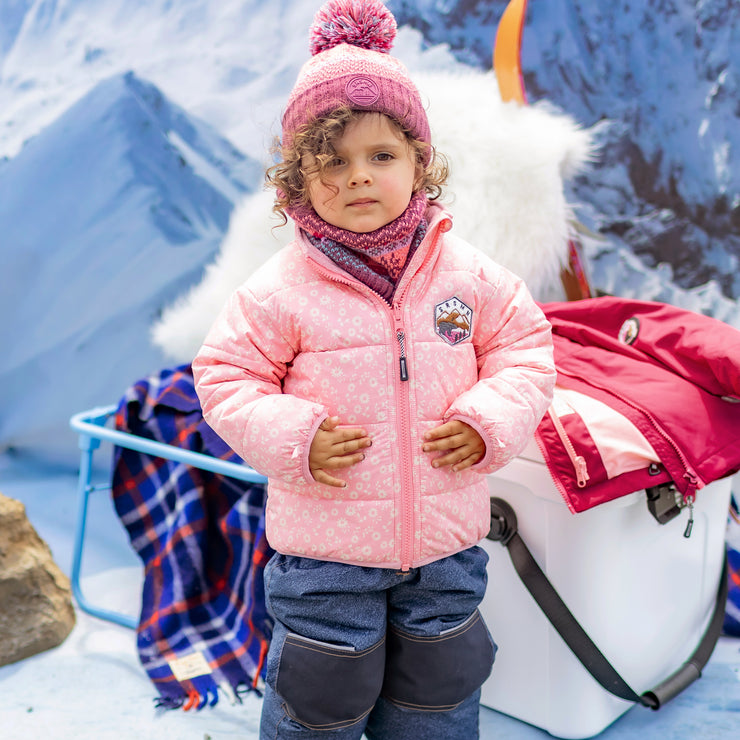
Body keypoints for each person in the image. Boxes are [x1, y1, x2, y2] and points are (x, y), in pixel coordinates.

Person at [192, 1, 556, 737]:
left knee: (440, 694)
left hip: (447, 545)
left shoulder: (470, 277)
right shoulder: (279, 290)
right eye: (332, 162)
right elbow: (226, 377)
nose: (359, 178)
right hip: (326, 560)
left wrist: (488, 421)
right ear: (297, 180)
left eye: (381, 156)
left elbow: (525, 350)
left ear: (421, 162)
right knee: (320, 700)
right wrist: (296, 437)